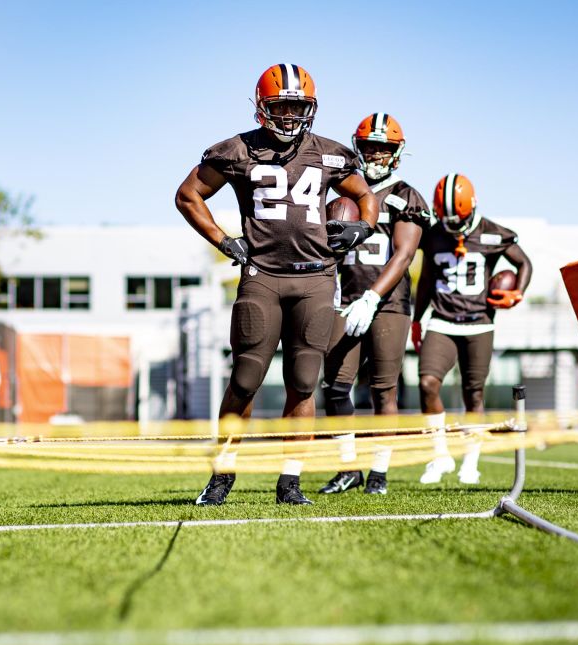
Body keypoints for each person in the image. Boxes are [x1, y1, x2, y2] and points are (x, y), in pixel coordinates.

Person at [174, 63, 379, 505]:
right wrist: (223, 240)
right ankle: (222, 473)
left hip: (316, 280)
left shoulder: (331, 152)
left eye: (297, 107)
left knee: (303, 382)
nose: (289, 116)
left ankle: (290, 480)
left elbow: (366, 196)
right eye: (281, 106)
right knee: (246, 378)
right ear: (262, 107)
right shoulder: (236, 150)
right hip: (262, 277)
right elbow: (187, 195)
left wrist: (363, 227)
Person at [318, 113, 430, 496]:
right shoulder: (342, 196)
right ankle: (348, 468)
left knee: (384, 389)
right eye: (368, 146)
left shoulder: (405, 195)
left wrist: (372, 296)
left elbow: (404, 255)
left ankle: (380, 471)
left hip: (387, 303)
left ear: (396, 152)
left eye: (383, 147)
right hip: (343, 298)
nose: (375, 154)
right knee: (334, 387)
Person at [411, 173, 532, 484]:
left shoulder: (493, 232)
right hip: (441, 319)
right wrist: (417, 318)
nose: (452, 224)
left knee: (473, 393)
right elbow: (426, 279)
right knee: (427, 382)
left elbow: (524, 264)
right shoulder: (435, 234)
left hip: (479, 323)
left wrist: (517, 292)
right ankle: (440, 456)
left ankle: (471, 462)